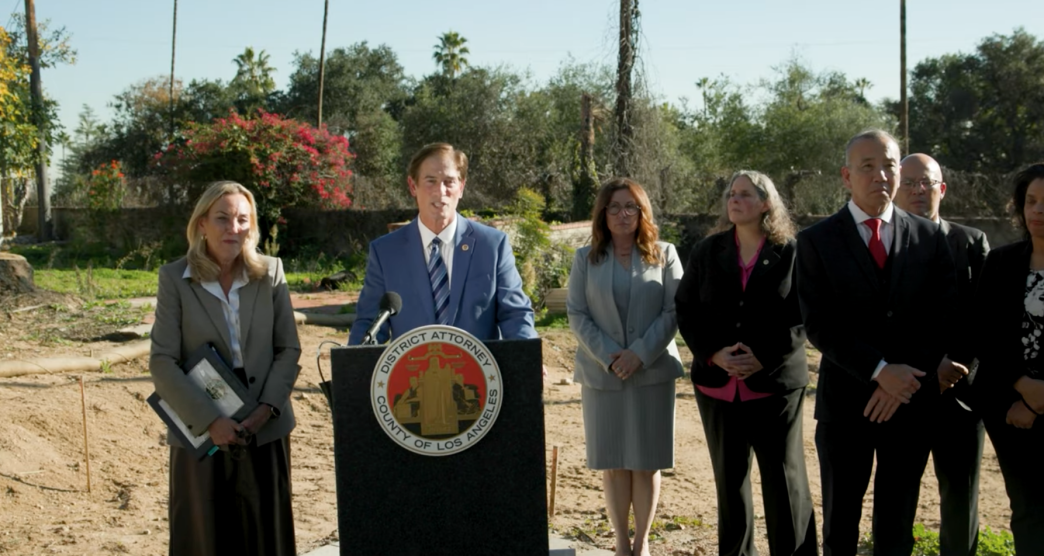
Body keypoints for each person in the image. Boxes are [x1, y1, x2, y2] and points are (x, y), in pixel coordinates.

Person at [795, 129, 962, 555]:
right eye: (867, 166)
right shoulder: (817, 241)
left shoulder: (929, 237)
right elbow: (820, 324)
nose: (880, 175)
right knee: (841, 528)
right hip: (847, 405)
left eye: (889, 165)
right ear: (846, 176)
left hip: (910, 403)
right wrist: (880, 371)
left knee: (896, 527)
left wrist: (902, 378)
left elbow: (943, 318)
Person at [150, 181, 301, 556]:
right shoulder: (175, 278)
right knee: (205, 537)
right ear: (202, 223)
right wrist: (210, 421)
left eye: (242, 219)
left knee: (266, 537)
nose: (233, 228)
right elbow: (162, 361)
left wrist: (266, 409)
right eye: (222, 218)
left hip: (264, 429)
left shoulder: (271, 273)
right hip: (202, 434)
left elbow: (289, 348)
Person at [675, 171, 817, 556]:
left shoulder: (792, 252)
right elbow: (686, 309)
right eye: (731, 194)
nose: (734, 200)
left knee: (783, 484)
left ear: (766, 203)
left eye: (744, 194)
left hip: (774, 387)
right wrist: (712, 353)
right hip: (717, 387)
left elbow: (804, 314)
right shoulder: (707, 250)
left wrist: (764, 357)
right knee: (730, 485)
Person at [566, 178, 684, 556]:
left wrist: (640, 353)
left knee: (646, 463)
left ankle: (642, 541)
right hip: (602, 375)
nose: (622, 214)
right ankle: (620, 542)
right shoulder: (585, 259)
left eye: (630, 206)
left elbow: (673, 311)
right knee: (615, 462)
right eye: (614, 207)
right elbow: (577, 313)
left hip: (652, 373)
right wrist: (610, 355)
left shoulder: (665, 254)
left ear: (642, 212)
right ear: (603, 213)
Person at [348, 142, 537, 345]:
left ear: (461, 187)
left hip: (480, 374)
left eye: (449, 182)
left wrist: (528, 358)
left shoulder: (492, 246)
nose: (440, 191)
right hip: (413, 374)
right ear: (413, 186)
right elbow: (369, 323)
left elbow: (515, 314)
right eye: (431, 181)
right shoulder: (386, 252)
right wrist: (355, 371)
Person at [894, 153, 988, 556]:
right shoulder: (885, 243)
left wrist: (955, 364)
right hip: (905, 391)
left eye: (927, 182)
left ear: (941, 189)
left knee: (960, 497)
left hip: (960, 394)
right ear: (897, 189)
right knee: (897, 497)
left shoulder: (970, 242)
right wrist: (928, 366)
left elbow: (986, 314)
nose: (918, 190)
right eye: (909, 182)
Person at [972, 162, 1044, 554]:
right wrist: (1024, 388)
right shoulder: (1001, 262)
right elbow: (985, 332)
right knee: (1028, 509)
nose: (1038, 211)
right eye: (1030, 201)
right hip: (1010, 408)